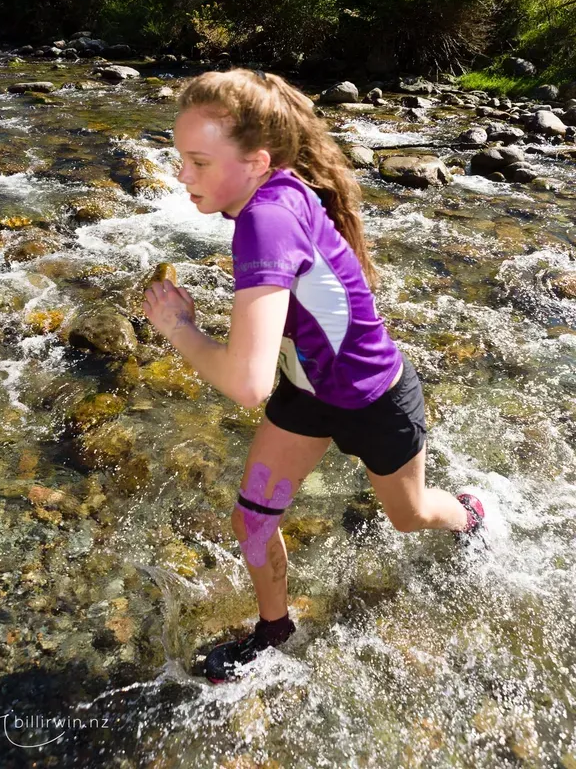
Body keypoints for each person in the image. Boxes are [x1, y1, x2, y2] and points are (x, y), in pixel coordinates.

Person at [142, 68, 485, 684]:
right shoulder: (271, 189)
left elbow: (249, 385)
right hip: (309, 391)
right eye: (179, 158)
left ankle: (473, 515)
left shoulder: (263, 220)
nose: (182, 176)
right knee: (253, 517)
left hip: (375, 397)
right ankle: (275, 630)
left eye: (197, 161)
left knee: (410, 518)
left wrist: (179, 329)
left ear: (257, 161)